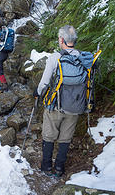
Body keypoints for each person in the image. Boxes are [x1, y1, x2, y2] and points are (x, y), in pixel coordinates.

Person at [33, 25, 81, 177]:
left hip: (56, 105)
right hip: (76, 105)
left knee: (49, 135)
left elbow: (45, 82)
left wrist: (38, 92)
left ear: (61, 40)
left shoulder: (55, 58)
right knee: (65, 137)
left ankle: (46, 166)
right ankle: (59, 168)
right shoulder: (82, 57)